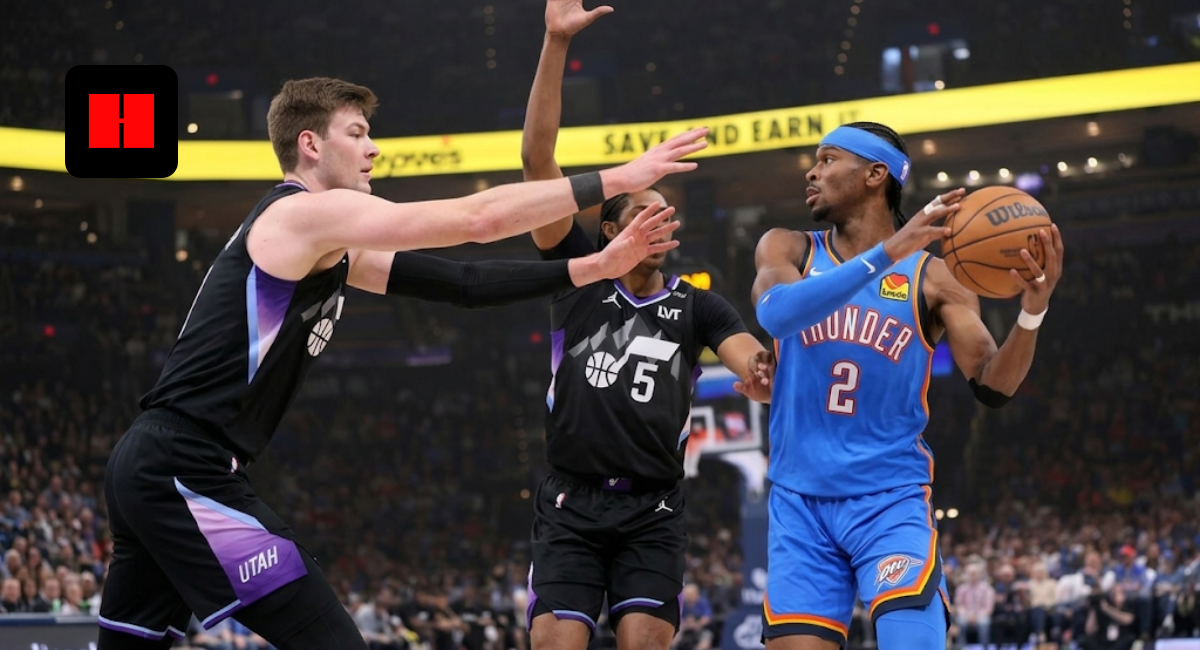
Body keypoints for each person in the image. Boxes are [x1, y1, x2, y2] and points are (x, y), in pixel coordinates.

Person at [97, 76, 709, 650]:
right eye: (356, 133)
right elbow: (477, 221)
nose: (374, 148)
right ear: (309, 144)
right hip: (183, 467)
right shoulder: (300, 213)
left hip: (154, 465)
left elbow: (464, 283)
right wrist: (619, 177)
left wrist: (591, 269)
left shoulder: (331, 245)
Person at [752, 121, 1064, 650]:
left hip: (888, 502)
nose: (812, 170)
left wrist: (1032, 313)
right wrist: (887, 253)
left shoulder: (937, 277)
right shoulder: (788, 248)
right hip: (799, 503)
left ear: (876, 174)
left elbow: (992, 385)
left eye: (828, 159)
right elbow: (779, 316)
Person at [519, 5, 775, 650]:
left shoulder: (699, 307)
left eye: (669, 216)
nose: (663, 222)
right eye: (646, 212)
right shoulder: (574, 275)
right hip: (569, 504)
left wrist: (760, 373)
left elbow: (748, 358)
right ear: (610, 229)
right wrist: (555, 42)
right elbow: (535, 160)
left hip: (653, 510)